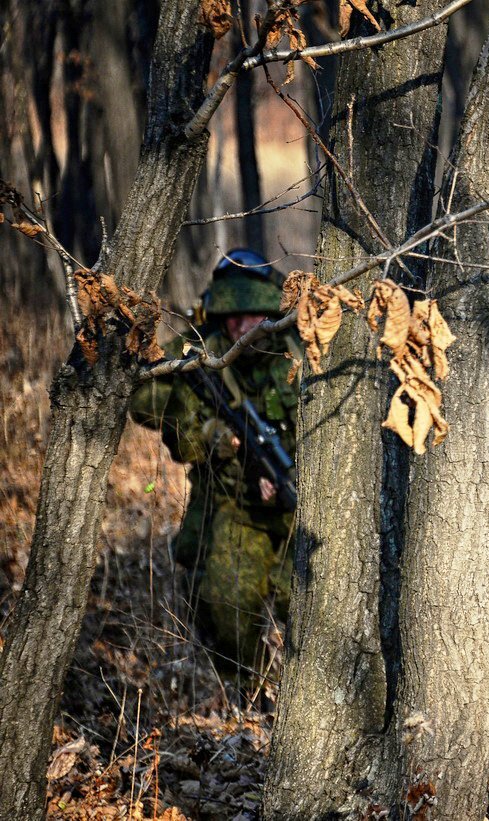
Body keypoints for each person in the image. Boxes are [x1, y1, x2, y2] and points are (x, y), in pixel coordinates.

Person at [129, 249, 301, 672]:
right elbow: (143, 402)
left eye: (252, 314)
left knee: (302, 600)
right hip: (236, 506)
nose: (242, 327)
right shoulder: (203, 351)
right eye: (231, 315)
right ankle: (249, 689)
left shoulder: (302, 349)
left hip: (307, 506)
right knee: (223, 603)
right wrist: (208, 431)